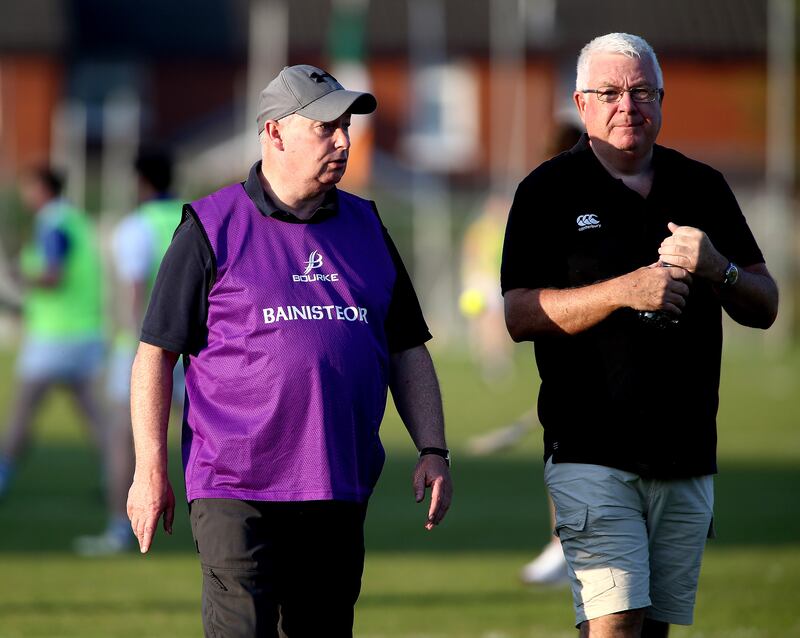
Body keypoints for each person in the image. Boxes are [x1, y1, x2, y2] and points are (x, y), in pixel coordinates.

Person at [126, 64, 453, 637]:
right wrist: (149, 468)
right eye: (327, 127)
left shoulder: (368, 225)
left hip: (337, 483)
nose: (345, 141)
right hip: (235, 485)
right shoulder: (210, 226)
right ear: (275, 132)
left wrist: (433, 447)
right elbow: (156, 354)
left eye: (347, 126)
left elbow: (407, 349)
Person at [501, 33, 778, 637]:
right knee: (616, 623)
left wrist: (718, 269)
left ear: (661, 99)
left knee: (653, 628)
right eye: (609, 92)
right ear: (581, 102)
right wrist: (620, 291)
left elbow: (765, 304)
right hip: (589, 448)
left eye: (642, 91)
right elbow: (519, 314)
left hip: (687, 451)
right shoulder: (546, 191)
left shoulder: (702, 186)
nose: (628, 105)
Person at [75, 150, 184, 555]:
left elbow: (134, 293)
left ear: (141, 182)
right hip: (198, 351)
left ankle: (120, 528)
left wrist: (140, 346)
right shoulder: (197, 217)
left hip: (150, 348)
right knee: (214, 434)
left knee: (126, 438)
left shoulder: (137, 227)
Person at [0, 167, 105, 498]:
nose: (25, 195)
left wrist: (19, 278)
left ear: (44, 189)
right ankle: (118, 478)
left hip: (53, 336)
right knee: (96, 418)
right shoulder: (76, 219)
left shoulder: (52, 223)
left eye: (30, 187)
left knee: (22, 413)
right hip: (86, 332)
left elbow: (53, 275)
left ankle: (3, 476)